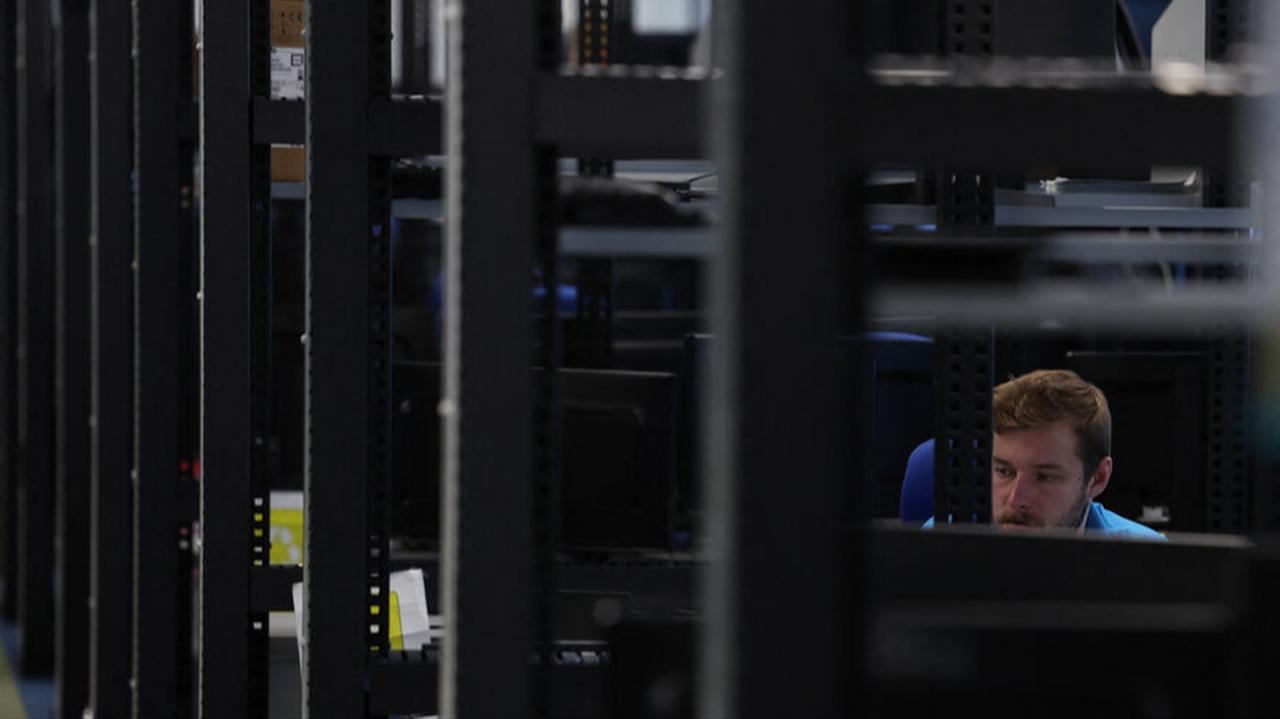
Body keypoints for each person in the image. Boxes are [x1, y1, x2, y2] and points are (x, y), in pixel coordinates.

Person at [926, 369, 1164, 540]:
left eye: (1045, 477)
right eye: (1004, 471)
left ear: (1098, 478)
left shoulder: (1144, 560)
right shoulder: (942, 540)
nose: (1016, 500)